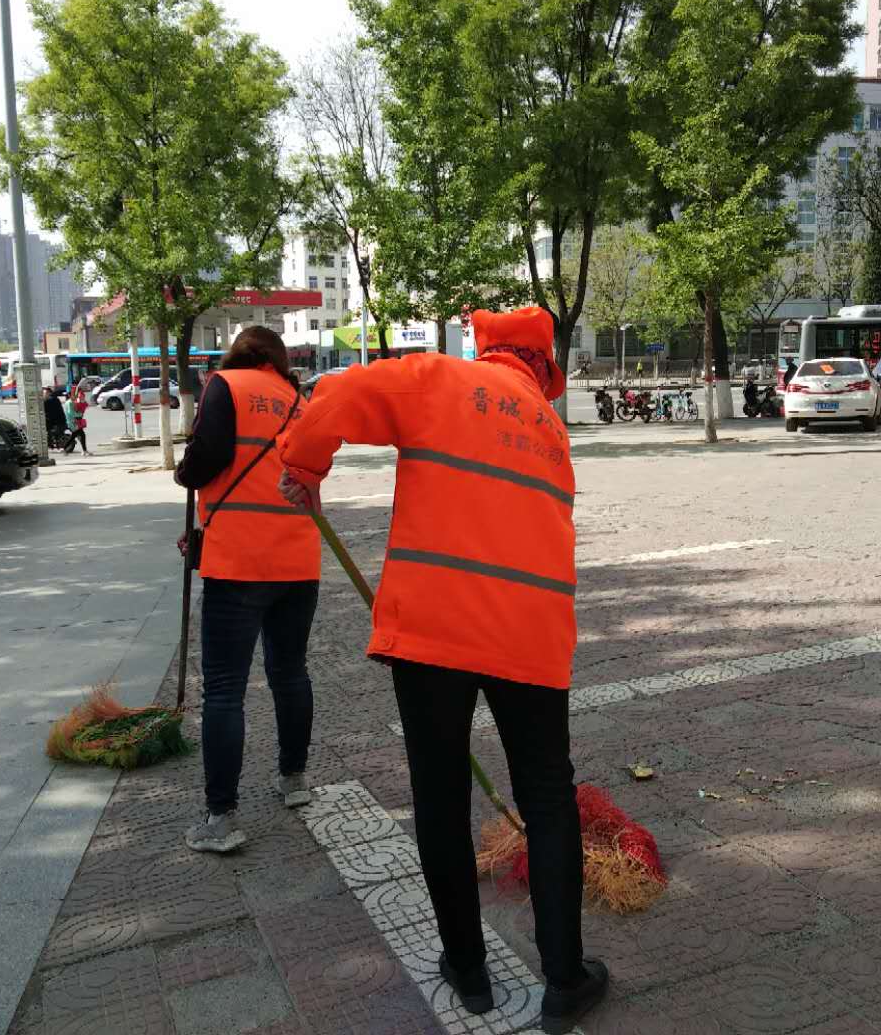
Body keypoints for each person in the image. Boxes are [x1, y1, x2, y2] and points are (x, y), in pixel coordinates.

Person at [277, 306, 607, 1035]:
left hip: (434, 632)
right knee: (548, 800)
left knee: (440, 795)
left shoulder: (438, 380)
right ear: (543, 368)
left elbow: (333, 393)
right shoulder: (551, 431)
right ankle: (565, 980)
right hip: (531, 636)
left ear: (484, 348)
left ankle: (468, 969)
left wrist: (303, 464)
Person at [174, 326, 320, 854]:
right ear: (277, 360)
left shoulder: (226, 386)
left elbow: (207, 457)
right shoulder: (299, 402)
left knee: (224, 689)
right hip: (298, 559)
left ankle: (221, 818)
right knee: (290, 673)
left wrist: (184, 472)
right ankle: (294, 780)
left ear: (237, 354)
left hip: (239, 561)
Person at [64, 380, 92, 456]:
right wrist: (79, 414)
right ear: (70, 395)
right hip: (73, 422)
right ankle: (65, 448)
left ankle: (84, 451)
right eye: (74, 395)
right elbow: (71, 413)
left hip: (74, 422)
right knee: (77, 436)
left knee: (80, 435)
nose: (75, 396)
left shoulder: (70, 402)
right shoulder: (70, 402)